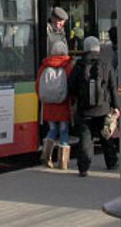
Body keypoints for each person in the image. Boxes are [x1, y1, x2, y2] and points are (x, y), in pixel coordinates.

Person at [69, 36, 119, 177]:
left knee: (85, 138)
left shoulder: (79, 65)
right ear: (98, 48)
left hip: (85, 110)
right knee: (106, 136)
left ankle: (83, 167)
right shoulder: (106, 63)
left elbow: (71, 87)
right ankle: (111, 162)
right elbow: (112, 87)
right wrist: (116, 106)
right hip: (103, 108)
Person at [36, 39, 75, 169]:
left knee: (52, 130)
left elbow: (38, 87)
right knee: (64, 131)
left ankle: (46, 156)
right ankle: (63, 163)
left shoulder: (44, 66)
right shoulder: (68, 66)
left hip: (48, 106)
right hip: (63, 106)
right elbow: (72, 86)